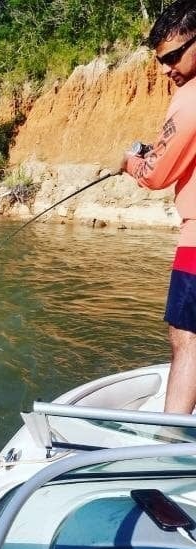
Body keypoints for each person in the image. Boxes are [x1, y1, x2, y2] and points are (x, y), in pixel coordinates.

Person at [122, 0, 196, 414]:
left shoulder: (189, 99)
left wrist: (127, 161)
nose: (168, 69)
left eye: (173, 56)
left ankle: (169, 443)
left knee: (186, 338)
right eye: (161, 61)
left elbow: (154, 174)